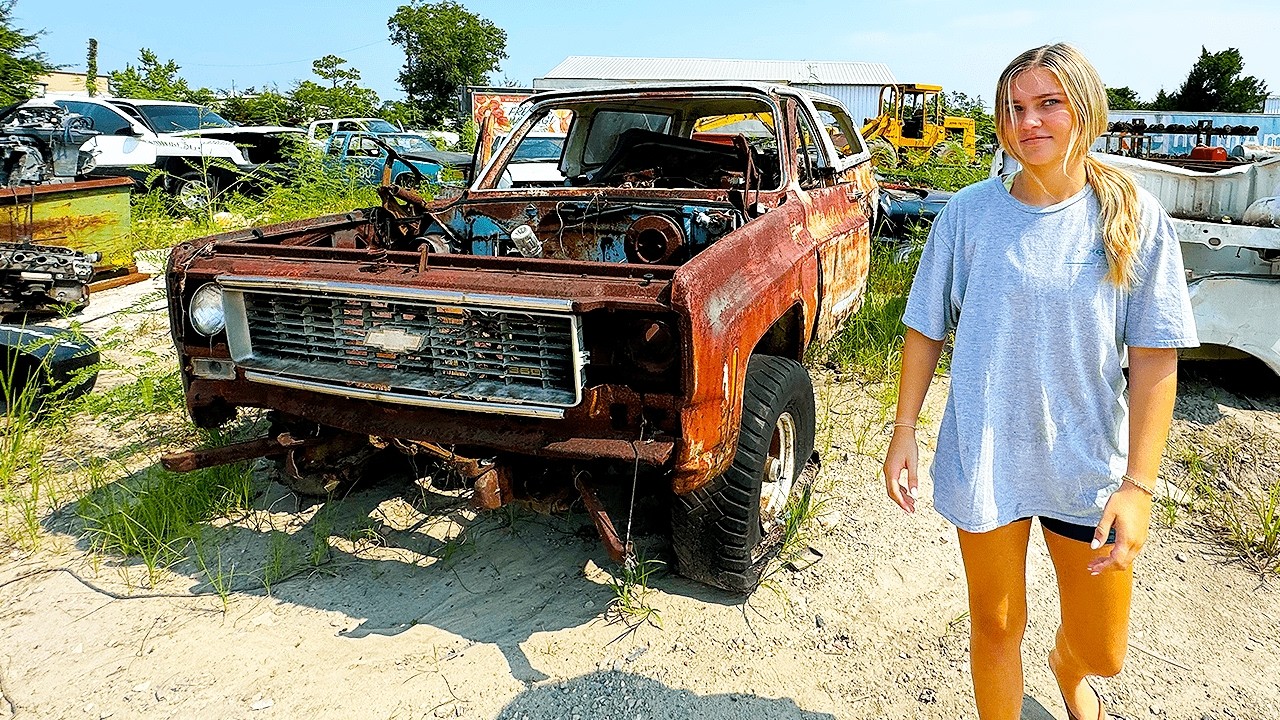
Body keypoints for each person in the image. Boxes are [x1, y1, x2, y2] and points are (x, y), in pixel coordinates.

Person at [881, 43, 1197, 720]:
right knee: (996, 627)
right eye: (1015, 107)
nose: (1030, 122)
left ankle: (1065, 666)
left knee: (1103, 651)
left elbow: (1154, 359)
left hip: (1086, 468)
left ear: (1086, 107)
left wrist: (1139, 487)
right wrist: (903, 431)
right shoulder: (968, 215)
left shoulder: (1136, 219)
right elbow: (925, 326)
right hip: (988, 458)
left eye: (1048, 103)